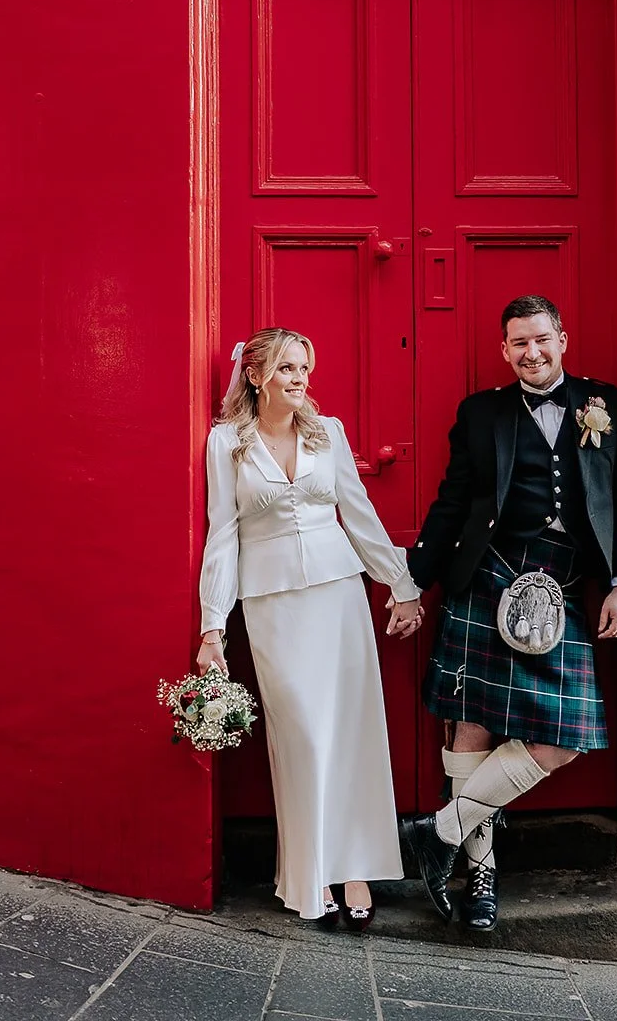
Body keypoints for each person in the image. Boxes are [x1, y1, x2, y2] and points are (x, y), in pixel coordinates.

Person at [401, 294, 617, 933]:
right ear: (504, 350)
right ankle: (480, 877)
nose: (531, 353)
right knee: (472, 729)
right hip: (487, 577)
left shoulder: (604, 403)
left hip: (561, 587)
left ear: (562, 338)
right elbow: (452, 501)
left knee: (566, 738)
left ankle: (437, 831)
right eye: (518, 344)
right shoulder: (482, 413)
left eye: (542, 339)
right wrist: (410, 581)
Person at [197, 327, 423, 927]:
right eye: (288, 368)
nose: (300, 379)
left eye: (305, 368)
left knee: (351, 729)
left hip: (340, 596)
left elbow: (359, 513)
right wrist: (212, 627)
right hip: (272, 604)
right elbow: (223, 536)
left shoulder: (330, 435)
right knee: (301, 734)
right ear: (255, 375)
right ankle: (309, 869)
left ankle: (354, 867)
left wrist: (400, 586)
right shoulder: (226, 444)